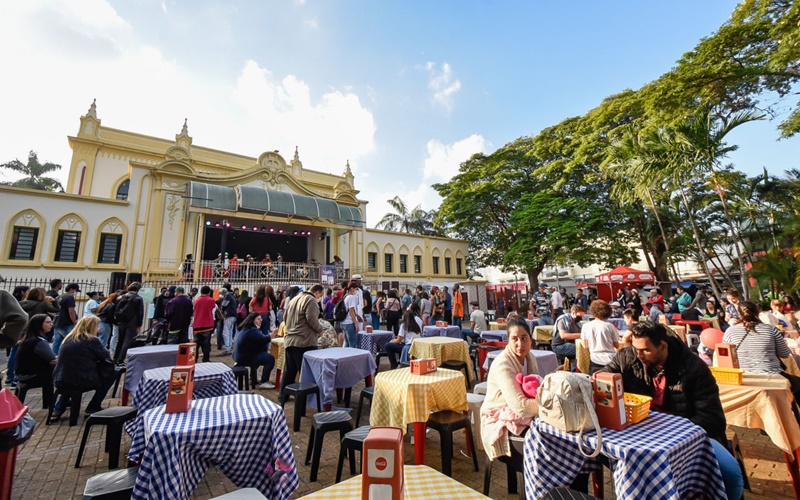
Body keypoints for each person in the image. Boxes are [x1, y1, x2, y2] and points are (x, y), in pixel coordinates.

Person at [601, 321, 744, 500]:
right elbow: (603, 379)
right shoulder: (628, 357)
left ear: (663, 346)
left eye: (645, 350)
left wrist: (674, 436)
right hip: (640, 431)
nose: (639, 355)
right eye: (635, 348)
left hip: (688, 433)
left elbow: (712, 419)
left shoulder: (694, 368)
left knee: (731, 474)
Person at [480, 319, 540, 461]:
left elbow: (534, 388)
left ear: (531, 340)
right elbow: (520, 406)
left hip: (522, 417)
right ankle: (532, 482)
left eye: (524, 338)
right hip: (499, 422)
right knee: (541, 444)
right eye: (515, 339)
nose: (520, 344)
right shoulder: (503, 364)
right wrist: (551, 408)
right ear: (508, 341)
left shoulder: (530, 357)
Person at [51, 315, 116, 420]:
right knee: (112, 374)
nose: (98, 329)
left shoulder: (68, 339)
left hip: (60, 378)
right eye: (97, 326)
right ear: (92, 327)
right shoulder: (92, 340)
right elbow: (106, 357)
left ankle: (58, 409)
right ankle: (93, 406)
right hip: (81, 380)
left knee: (71, 376)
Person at [280, 284, 324, 402]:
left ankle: (283, 396)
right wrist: (320, 330)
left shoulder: (294, 299)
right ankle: (305, 399)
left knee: (289, 370)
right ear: (317, 292)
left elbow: (285, 317)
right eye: (321, 295)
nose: (320, 298)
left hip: (290, 339)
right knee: (306, 373)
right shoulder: (311, 300)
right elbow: (311, 318)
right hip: (304, 341)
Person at [723, 301, 791, 374]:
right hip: (771, 373)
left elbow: (725, 355)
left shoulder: (730, 331)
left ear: (739, 314)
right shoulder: (770, 329)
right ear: (758, 313)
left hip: (742, 375)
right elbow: (785, 354)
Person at [15, 314, 57, 397]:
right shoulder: (38, 341)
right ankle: (60, 402)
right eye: (48, 322)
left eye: (51, 322)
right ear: (39, 325)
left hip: (21, 374)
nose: (51, 324)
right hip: (32, 375)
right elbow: (52, 359)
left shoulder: (28, 338)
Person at [233, 313, 275, 389]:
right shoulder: (252, 330)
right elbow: (264, 339)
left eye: (261, 319)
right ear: (252, 320)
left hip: (237, 355)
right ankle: (264, 381)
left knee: (260, 356)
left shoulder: (242, 328)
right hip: (245, 357)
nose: (261, 320)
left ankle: (253, 378)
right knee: (270, 359)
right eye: (258, 319)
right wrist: (273, 334)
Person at [580, 300, 619, 374]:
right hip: (610, 359)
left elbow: (585, 346)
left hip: (595, 359)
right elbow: (616, 345)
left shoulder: (585, 326)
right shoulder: (609, 326)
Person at [112, 282, 144, 364]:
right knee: (127, 341)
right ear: (138, 290)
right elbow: (140, 312)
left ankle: (116, 357)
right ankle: (121, 359)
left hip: (121, 320)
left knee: (120, 340)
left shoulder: (120, 297)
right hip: (132, 321)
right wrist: (139, 324)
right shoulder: (138, 298)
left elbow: (114, 309)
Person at [52, 283, 81, 354]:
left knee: (57, 342)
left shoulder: (58, 297)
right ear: (71, 289)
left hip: (57, 322)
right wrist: (75, 322)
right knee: (70, 342)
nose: (75, 293)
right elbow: (71, 311)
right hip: (67, 323)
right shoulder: (69, 297)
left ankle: (54, 357)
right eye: (75, 291)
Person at [192, 286, 216, 362]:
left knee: (196, 344)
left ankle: (194, 359)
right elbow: (213, 307)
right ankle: (206, 359)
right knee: (206, 344)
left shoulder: (196, 300)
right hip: (207, 325)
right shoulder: (211, 300)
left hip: (197, 325)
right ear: (209, 292)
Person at [340, 281, 363, 348]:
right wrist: (356, 324)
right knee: (352, 343)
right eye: (356, 289)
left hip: (343, 322)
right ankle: (352, 357)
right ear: (352, 288)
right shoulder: (351, 297)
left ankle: (343, 356)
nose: (356, 291)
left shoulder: (345, 296)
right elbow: (351, 311)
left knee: (346, 342)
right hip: (349, 322)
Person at [219, 288, 237, 355]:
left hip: (228, 315)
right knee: (230, 331)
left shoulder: (227, 296)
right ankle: (229, 347)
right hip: (233, 315)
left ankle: (227, 348)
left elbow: (224, 305)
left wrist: (221, 311)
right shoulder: (232, 295)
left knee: (225, 332)